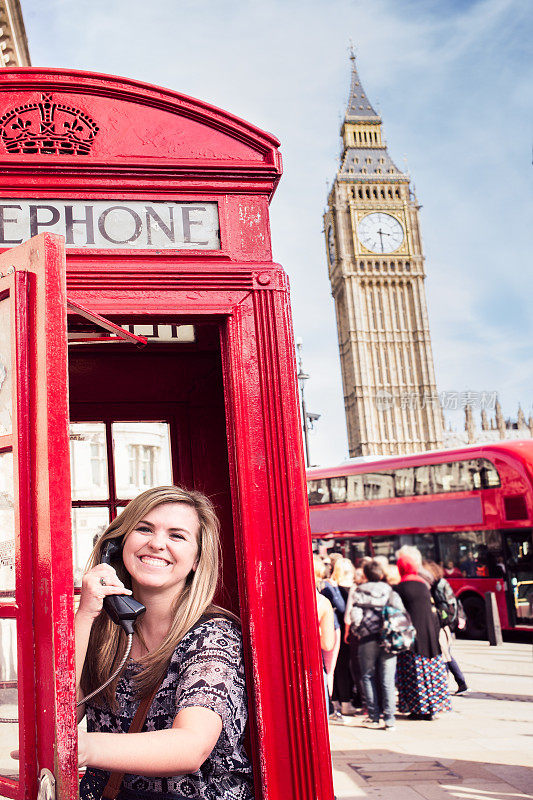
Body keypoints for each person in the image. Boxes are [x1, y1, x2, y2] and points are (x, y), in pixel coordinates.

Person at [76, 485, 254, 800]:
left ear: (198, 558)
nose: (157, 544)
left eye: (177, 535)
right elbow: (56, 712)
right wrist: (86, 615)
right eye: (144, 529)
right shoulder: (103, 628)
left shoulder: (213, 634)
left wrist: (81, 747)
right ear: (117, 546)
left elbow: (190, 746)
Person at [345, 559, 405, 730]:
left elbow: (355, 614)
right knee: (387, 678)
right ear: (380, 574)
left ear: (365, 574)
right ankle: (390, 718)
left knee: (368, 676)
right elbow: (400, 612)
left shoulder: (359, 591)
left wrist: (359, 630)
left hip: (367, 639)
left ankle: (373, 716)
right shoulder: (389, 591)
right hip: (387, 637)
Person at [394, 551, 452, 720]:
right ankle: (432, 707)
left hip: (412, 638)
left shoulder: (400, 587)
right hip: (430, 635)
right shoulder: (423, 585)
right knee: (431, 671)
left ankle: (418, 709)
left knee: (414, 673)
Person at [423, 561, 468, 695]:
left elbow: (441, 605)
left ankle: (456, 684)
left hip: (441, 625)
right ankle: (456, 684)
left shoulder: (436, 586)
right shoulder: (442, 583)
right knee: (446, 654)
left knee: (445, 655)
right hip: (446, 624)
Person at [328, 558, 357, 716]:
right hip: (346, 632)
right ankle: (346, 701)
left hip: (333, 629)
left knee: (337, 666)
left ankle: (336, 700)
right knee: (345, 667)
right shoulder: (352, 589)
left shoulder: (333, 588)